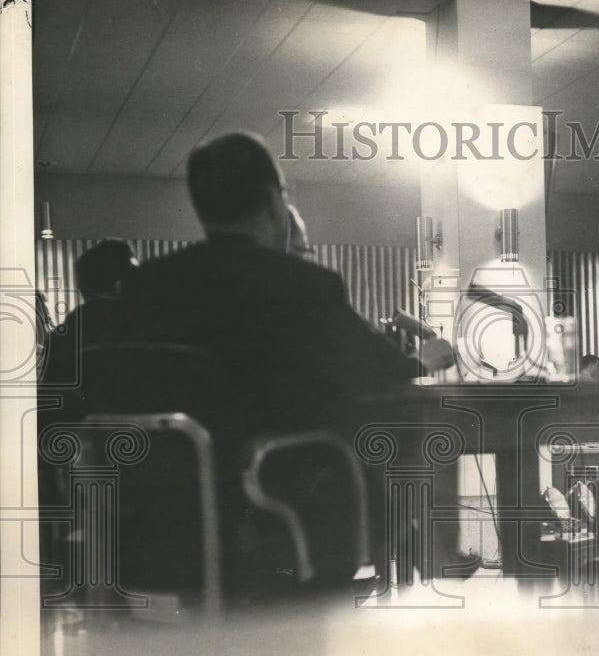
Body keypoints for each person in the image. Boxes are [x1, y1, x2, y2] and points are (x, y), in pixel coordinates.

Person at [120, 131, 452, 433]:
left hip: (169, 489)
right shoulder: (304, 284)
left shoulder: (145, 285)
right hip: (280, 481)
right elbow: (373, 366)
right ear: (272, 202)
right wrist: (425, 359)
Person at [41, 239, 138, 388]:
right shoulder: (154, 331)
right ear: (121, 286)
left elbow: (50, 403)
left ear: (82, 288)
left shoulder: (60, 339)